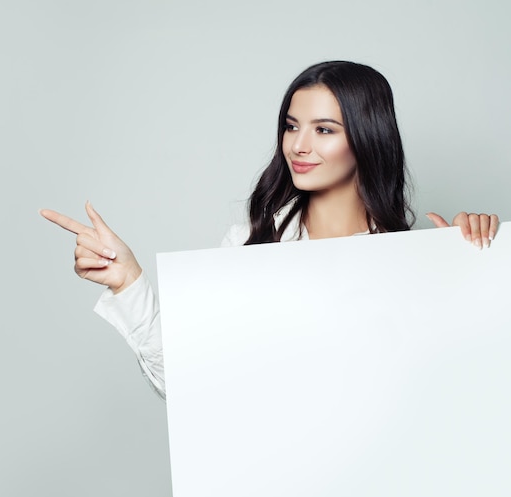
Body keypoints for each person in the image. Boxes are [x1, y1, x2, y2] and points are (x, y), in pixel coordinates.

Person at [40, 61, 499, 400]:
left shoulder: (411, 258)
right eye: (292, 126)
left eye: (324, 130)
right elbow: (192, 385)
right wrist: (129, 281)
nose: (298, 146)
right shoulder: (248, 245)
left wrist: (478, 260)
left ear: (366, 138)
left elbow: (460, 390)